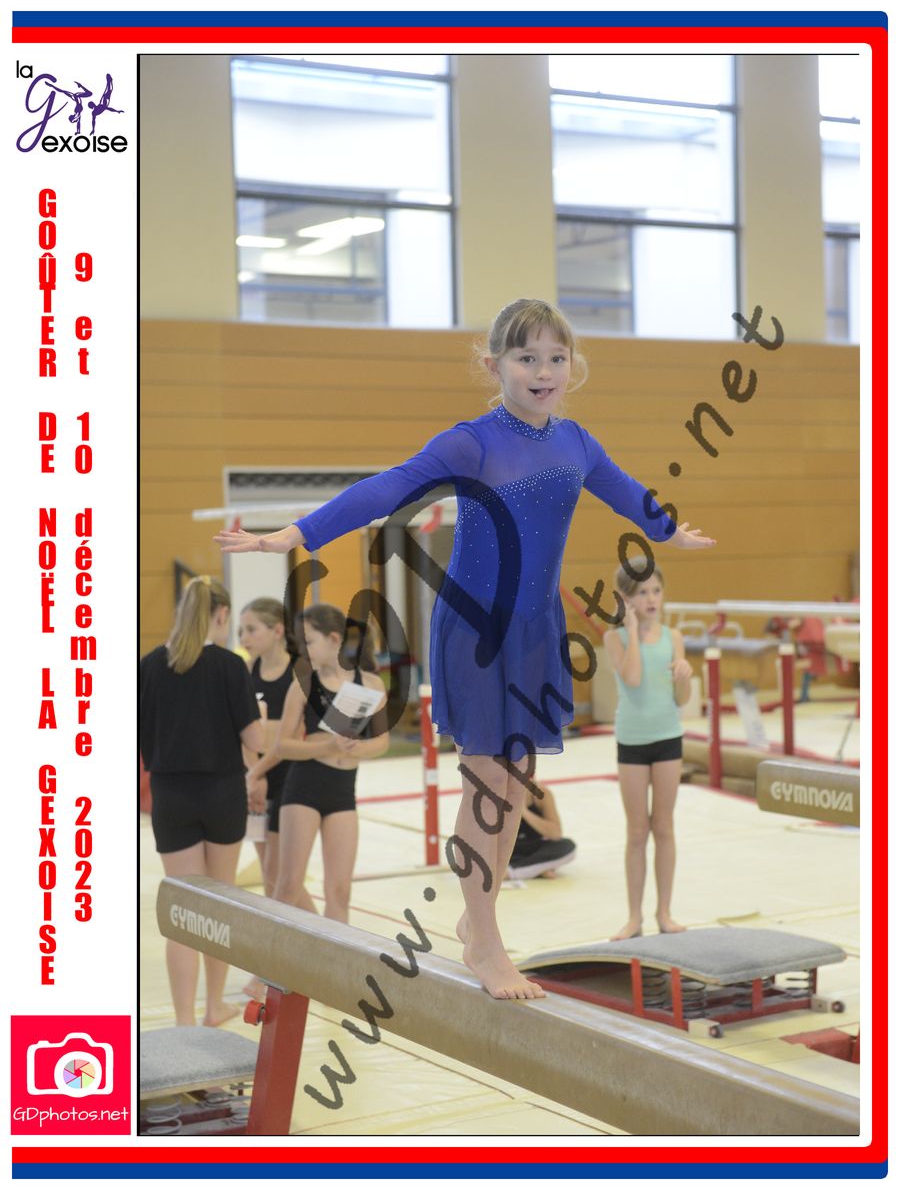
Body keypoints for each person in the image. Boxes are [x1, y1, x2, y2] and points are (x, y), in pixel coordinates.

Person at [215, 297, 715, 999]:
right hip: (476, 630)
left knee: (514, 783)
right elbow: (386, 488)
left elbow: (626, 492)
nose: (543, 371)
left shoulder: (577, 442)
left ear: (573, 365)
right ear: (494, 364)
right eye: (526, 358)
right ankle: (483, 935)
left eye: (556, 358)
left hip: (536, 629)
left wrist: (668, 531)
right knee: (486, 781)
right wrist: (298, 533)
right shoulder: (471, 443)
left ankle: (478, 919)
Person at [140, 576, 264, 1026]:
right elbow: (255, 741)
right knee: (217, 906)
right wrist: (260, 719)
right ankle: (214, 1005)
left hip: (170, 795)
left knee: (183, 912)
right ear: (222, 615)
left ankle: (183, 1020)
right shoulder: (230, 666)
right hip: (220, 793)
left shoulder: (150, 666)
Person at [269, 605, 389, 924]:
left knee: (339, 891)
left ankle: (334, 957)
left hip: (343, 791)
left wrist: (357, 747)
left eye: (308, 642)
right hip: (304, 789)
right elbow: (282, 745)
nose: (302, 650)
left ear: (334, 639)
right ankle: (268, 957)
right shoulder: (303, 685)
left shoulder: (370, 685)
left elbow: (382, 742)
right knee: (288, 886)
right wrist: (328, 745)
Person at [604, 564, 693, 940]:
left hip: (668, 737)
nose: (651, 599)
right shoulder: (614, 639)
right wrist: (632, 630)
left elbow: (681, 699)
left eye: (656, 591)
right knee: (637, 831)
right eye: (642, 593)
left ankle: (665, 912)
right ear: (627, 599)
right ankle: (634, 916)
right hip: (632, 741)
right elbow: (633, 678)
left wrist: (685, 676)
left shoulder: (674, 637)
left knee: (664, 826)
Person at [239, 597, 296, 897]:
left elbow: (289, 739)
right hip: (256, 779)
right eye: (241, 631)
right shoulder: (247, 671)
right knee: (269, 874)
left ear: (277, 631)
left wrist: (257, 771)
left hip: (289, 778)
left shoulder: (298, 673)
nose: (244, 639)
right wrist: (253, 775)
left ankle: (318, 926)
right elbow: (242, 732)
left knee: (281, 874)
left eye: (251, 630)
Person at [506, 781, 576, 880]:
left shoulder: (541, 793)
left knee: (567, 846)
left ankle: (511, 872)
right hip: (505, 851)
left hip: (531, 849)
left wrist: (523, 811)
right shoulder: (494, 792)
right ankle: (536, 869)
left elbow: (555, 834)